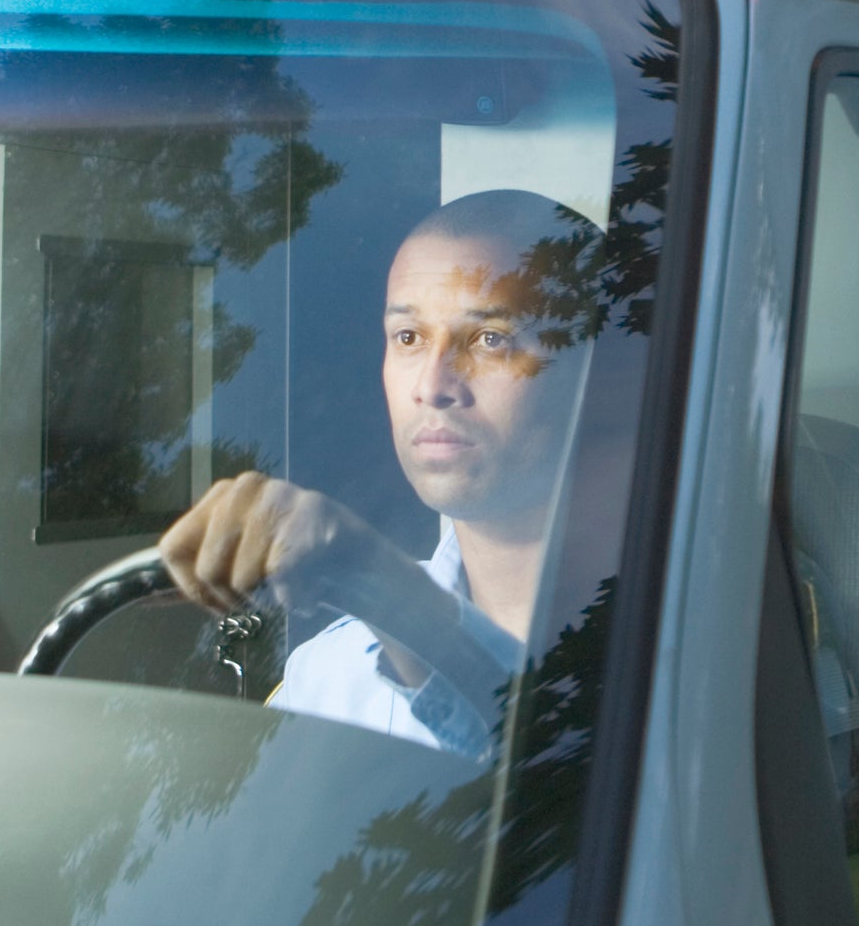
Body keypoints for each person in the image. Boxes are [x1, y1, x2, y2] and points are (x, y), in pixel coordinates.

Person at [152, 189, 592, 753]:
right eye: (408, 338)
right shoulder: (328, 680)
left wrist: (391, 596)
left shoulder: (700, 646)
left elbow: (561, 783)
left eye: (490, 339)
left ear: (595, 374)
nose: (432, 385)